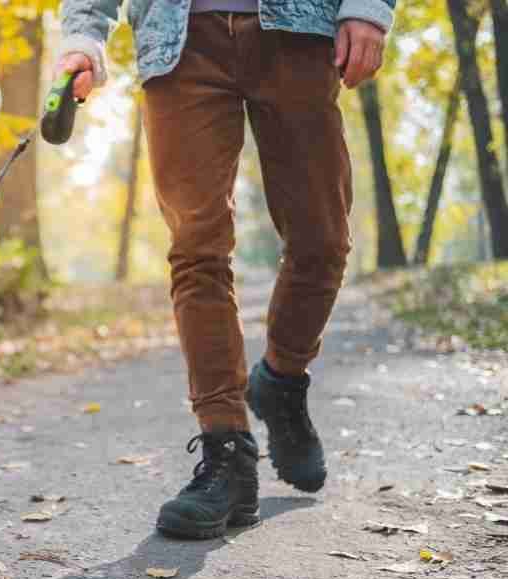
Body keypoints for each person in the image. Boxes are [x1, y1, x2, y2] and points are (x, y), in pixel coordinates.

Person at [55, 0, 394, 538]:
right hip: (177, 39)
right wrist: (83, 34)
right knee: (197, 249)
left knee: (322, 240)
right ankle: (227, 452)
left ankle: (282, 379)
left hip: (298, 30)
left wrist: (369, 8)